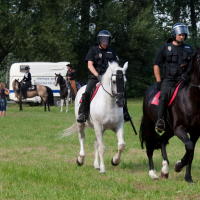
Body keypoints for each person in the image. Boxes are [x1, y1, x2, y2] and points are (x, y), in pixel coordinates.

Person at [77, 30, 131, 123]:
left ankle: (125, 112)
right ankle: (82, 113)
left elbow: (116, 65)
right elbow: (90, 65)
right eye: (103, 40)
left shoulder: (111, 51)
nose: (105, 42)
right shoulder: (93, 50)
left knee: (122, 91)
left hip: (110, 79)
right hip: (95, 77)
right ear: (99, 40)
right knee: (87, 92)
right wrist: (98, 76)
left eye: (107, 40)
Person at [154, 23, 193, 131]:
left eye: (184, 35)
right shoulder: (165, 48)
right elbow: (156, 64)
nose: (182, 37)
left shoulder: (189, 48)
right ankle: (160, 121)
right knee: (164, 96)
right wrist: (158, 81)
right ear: (174, 35)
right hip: (170, 79)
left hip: (185, 79)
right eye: (180, 35)